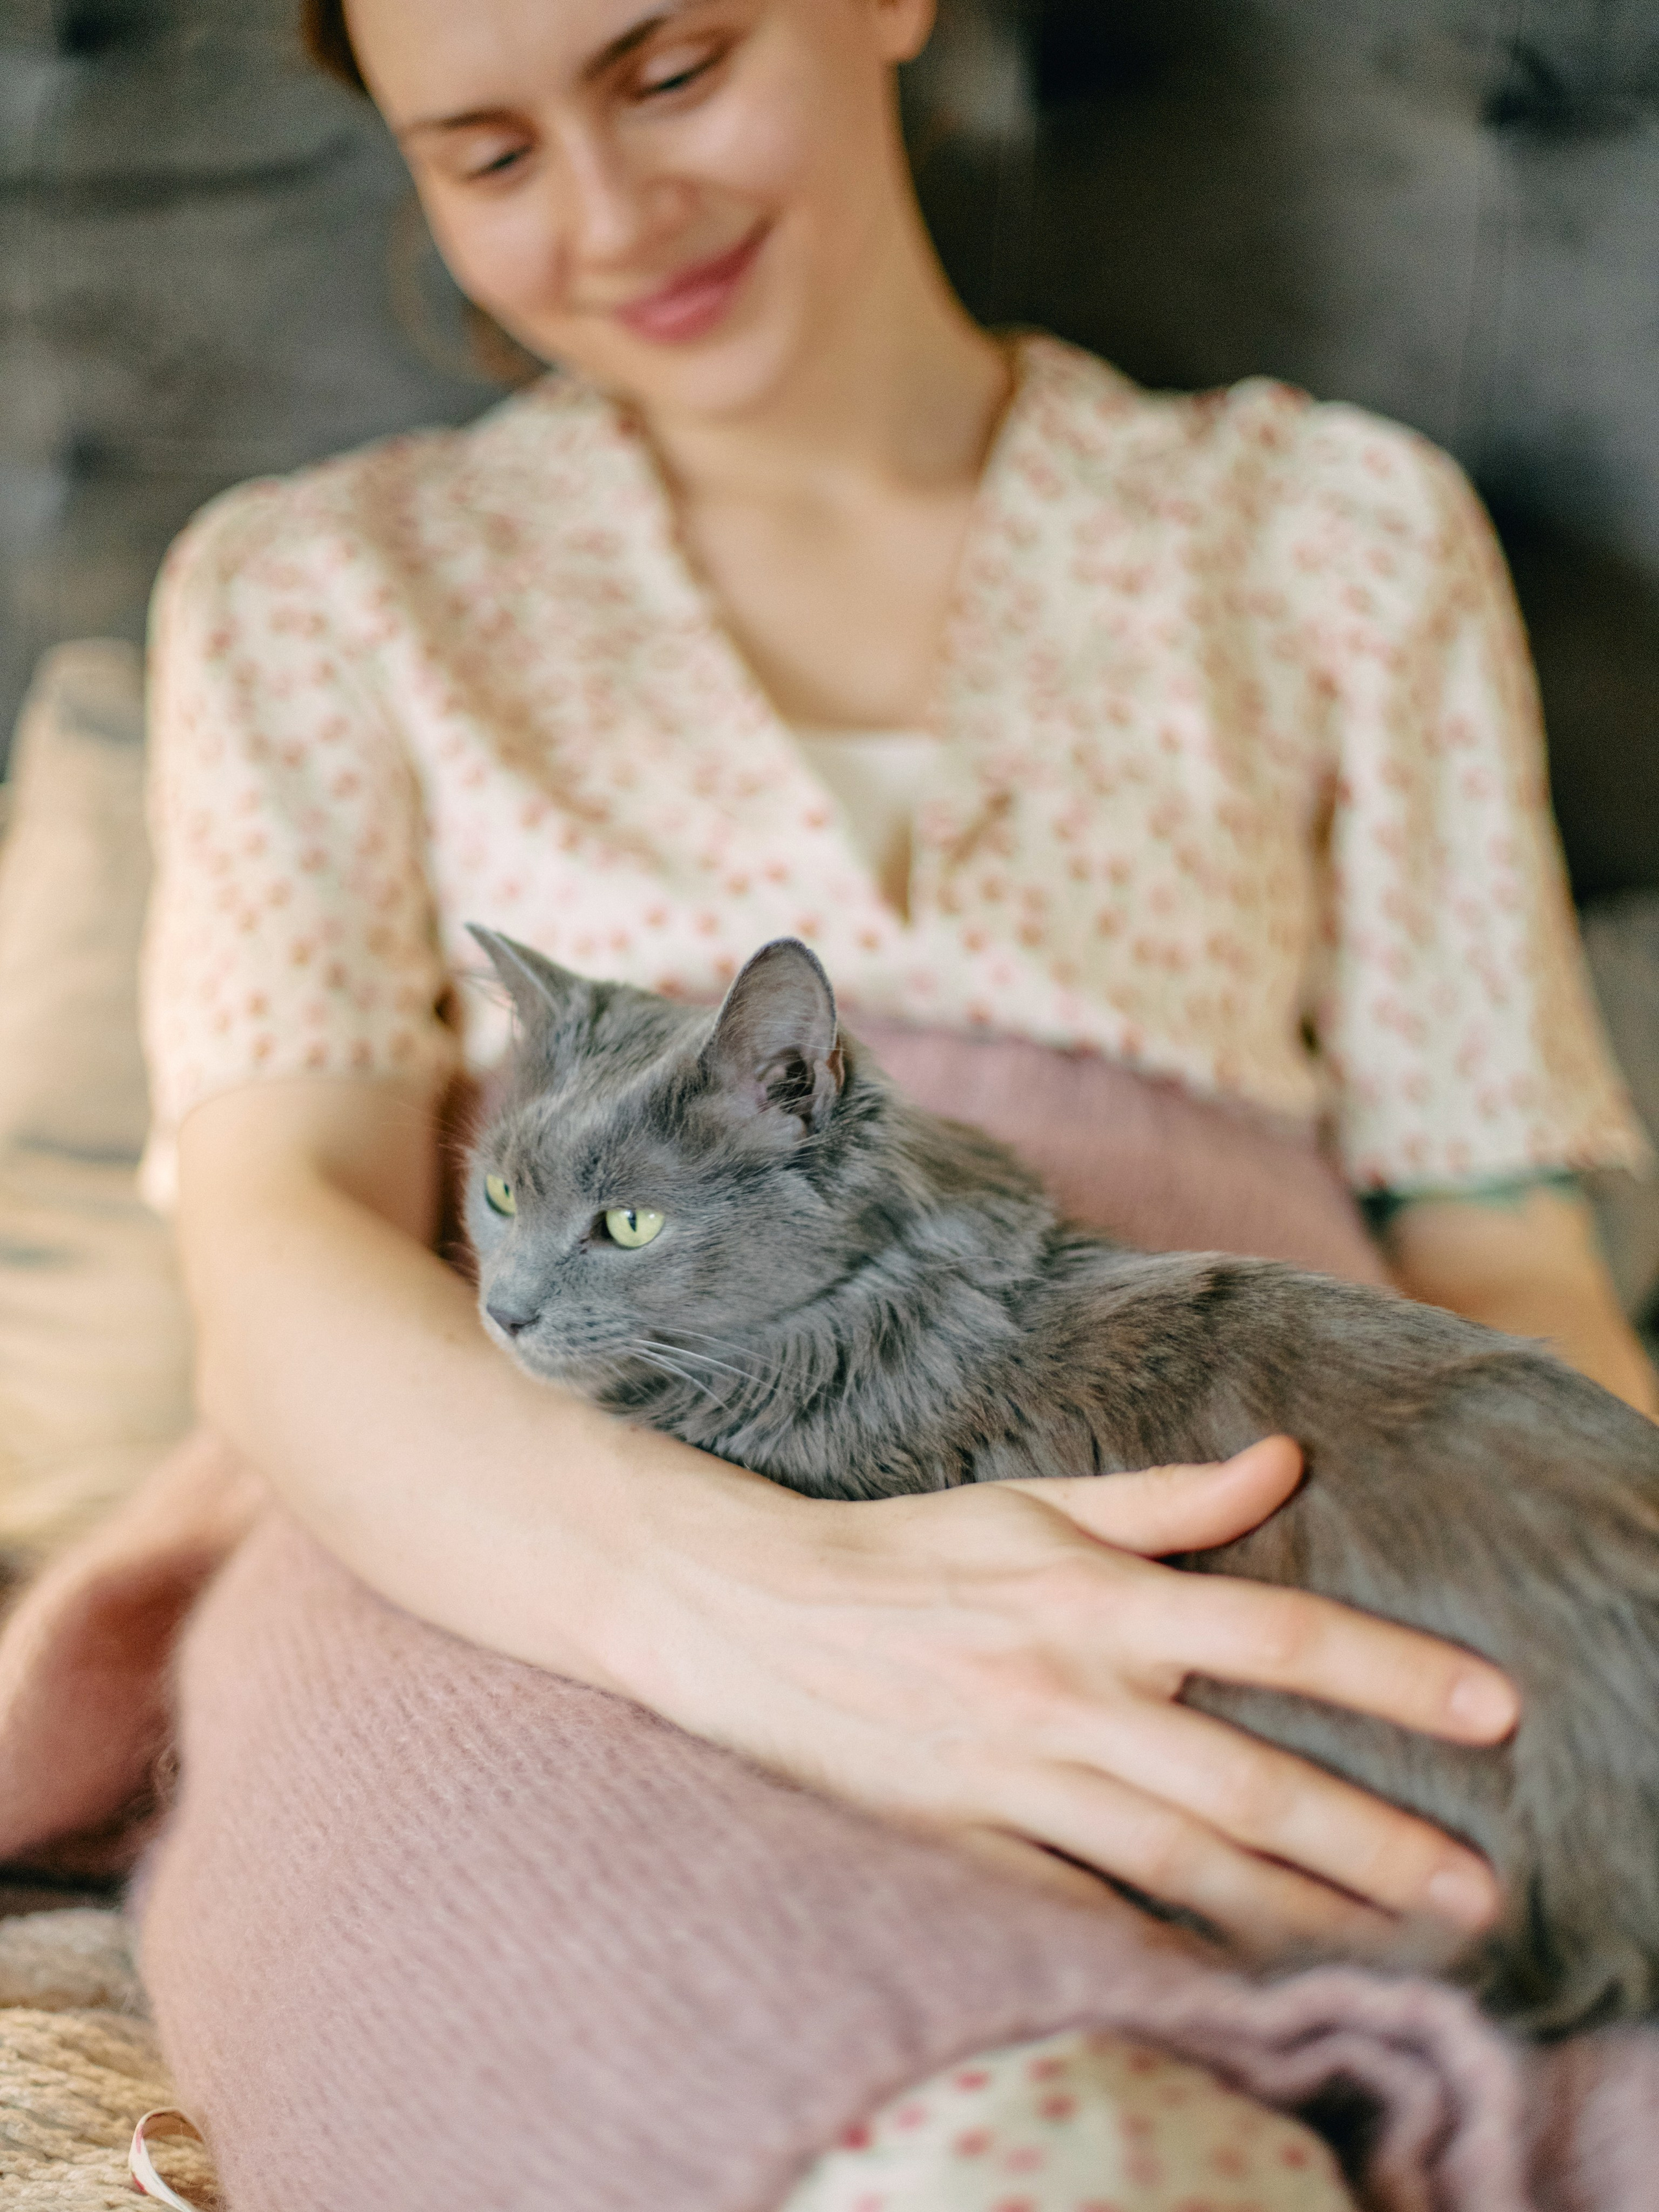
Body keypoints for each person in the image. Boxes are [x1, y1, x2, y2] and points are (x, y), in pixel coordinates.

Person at [133, 0, 1654, 2201]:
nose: (610, 213)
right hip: (512, 1507)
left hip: (1235, 1446)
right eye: (484, 156)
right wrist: (726, 1600)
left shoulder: (1332, 529)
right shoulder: (313, 590)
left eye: (670, 73)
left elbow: (1504, 1245)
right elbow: (275, 1246)